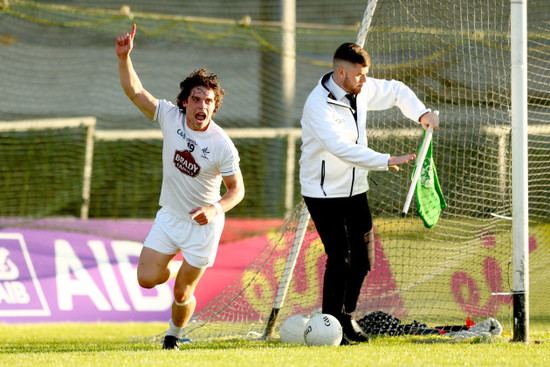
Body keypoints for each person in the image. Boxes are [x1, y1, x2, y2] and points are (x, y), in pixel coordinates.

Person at [299, 43, 439, 345]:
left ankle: (346, 317)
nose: (365, 81)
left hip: (355, 189)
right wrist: (385, 159)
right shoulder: (317, 105)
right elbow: (341, 150)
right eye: (360, 75)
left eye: (367, 75)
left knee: (364, 259)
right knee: (340, 257)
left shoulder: (360, 88)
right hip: (322, 192)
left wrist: (422, 114)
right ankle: (329, 325)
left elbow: (397, 91)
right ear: (341, 72)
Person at [116, 24, 245, 350]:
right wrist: (124, 57)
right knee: (147, 280)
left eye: (209, 101)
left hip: (204, 226)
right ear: (185, 102)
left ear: (215, 107)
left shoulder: (222, 145)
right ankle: (168, 265)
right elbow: (135, 92)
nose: (203, 106)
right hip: (171, 216)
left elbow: (236, 191)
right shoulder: (169, 117)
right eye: (197, 99)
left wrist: (214, 209)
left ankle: (173, 334)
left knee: (183, 293)